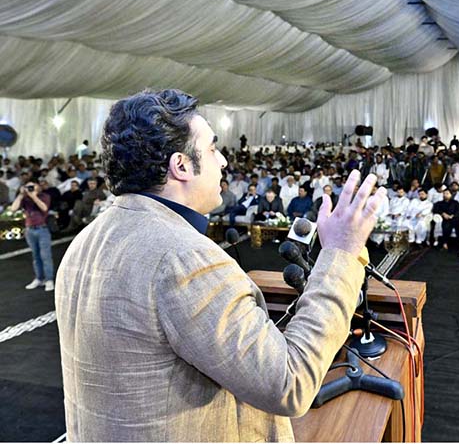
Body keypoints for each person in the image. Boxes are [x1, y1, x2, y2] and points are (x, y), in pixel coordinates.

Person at [56, 89, 387, 441]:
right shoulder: (182, 257)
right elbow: (289, 382)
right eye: (213, 148)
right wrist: (342, 251)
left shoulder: (86, 240)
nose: (224, 162)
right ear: (180, 165)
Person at [11, 181, 55, 291]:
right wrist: (21, 195)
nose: (30, 188)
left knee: (46, 256)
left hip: (42, 229)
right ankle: (39, 278)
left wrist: (33, 196)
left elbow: (44, 208)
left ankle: (49, 279)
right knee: (36, 257)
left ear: (38, 187)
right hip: (29, 230)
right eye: (28, 187)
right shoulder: (25, 198)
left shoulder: (44, 196)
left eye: (32, 186)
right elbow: (13, 208)